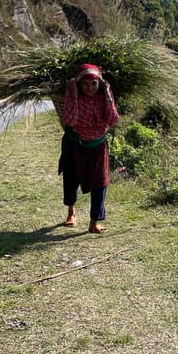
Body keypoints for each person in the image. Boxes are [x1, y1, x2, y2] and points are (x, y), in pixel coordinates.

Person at [58, 63, 119, 234]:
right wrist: (74, 93)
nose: (90, 88)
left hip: (97, 146)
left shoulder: (103, 96)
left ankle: (94, 222)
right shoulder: (73, 94)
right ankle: (71, 211)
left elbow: (113, 120)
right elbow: (70, 120)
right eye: (85, 84)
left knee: (100, 183)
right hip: (74, 144)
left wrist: (107, 93)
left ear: (99, 83)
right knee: (71, 180)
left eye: (94, 83)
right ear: (78, 84)